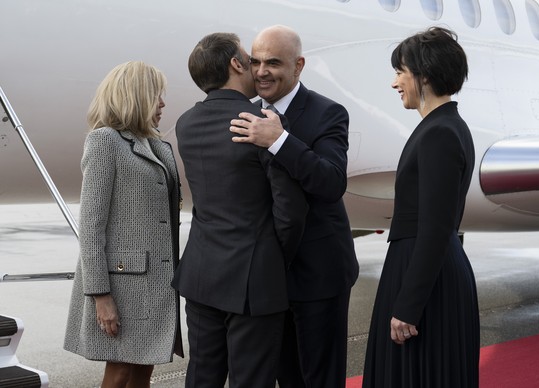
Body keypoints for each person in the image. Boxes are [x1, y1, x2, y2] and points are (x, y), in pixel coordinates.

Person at [171, 32, 308, 388]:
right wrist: (275, 258)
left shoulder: (186, 123)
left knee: (203, 375)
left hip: (201, 272)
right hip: (253, 279)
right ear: (235, 64)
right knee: (251, 379)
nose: (256, 68)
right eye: (249, 59)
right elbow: (290, 211)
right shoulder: (261, 123)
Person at [229, 25, 359, 387]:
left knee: (319, 378)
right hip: (268, 279)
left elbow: (332, 183)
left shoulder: (329, 113)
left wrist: (280, 140)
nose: (261, 72)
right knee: (284, 377)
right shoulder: (244, 113)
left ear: (299, 65)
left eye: (273, 63)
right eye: (254, 62)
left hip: (320, 274)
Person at [362, 27, 480, 387]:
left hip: (426, 275)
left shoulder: (439, 133)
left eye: (401, 72)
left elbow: (436, 227)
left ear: (424, 74)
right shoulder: (444, 127)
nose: (396, 82)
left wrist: (408, 306)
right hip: (428, 268)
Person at [63, 61, 183, 388]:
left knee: (144, 370)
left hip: (155, 286)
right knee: (119, 374)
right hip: (121, 286)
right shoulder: (105, 141)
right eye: (157, 95)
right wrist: (100, 295)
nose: (162, 103)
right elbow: (91, 227)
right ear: (137, 95)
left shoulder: (157, 145)